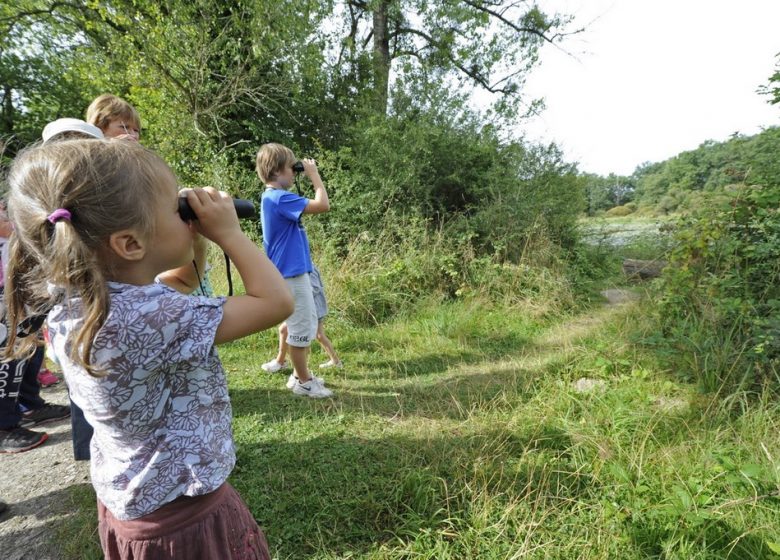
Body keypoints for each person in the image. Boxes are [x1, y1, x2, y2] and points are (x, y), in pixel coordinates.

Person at [3, 139, 293, 558]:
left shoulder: (75, 299)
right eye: (178, 211)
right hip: (187, 517)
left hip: (132, 507)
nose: (187, 215)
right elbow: (276, 302)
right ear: (130, 244)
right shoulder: (150, 316)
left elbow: (179, 285)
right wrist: (228, 233)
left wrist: (193, 240)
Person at [257, 143, 334, 398]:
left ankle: (298, 375)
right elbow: (323, 205)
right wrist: (314, 175)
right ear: (278, 170)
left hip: (292, 272)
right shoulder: (279, 197)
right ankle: (304, 382)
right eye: (292, 168)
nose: (295, 173)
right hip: (291, 274)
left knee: (303, 326)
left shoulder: (272, 197)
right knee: (301, 330)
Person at [0, 201, 69, 454]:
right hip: (3, 292)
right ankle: (4, 426)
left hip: (17, 286)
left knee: (31, 348)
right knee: (9, 356)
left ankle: (30, 405)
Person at [261, 263, 343, 375]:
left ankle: (335, 362)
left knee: (318, 335)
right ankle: (280, 361)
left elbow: (315, 288)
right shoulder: (300, 266)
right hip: (305, 307)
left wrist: (296, 294)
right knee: (284, 330)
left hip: (314, 308)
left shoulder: (309, 267)